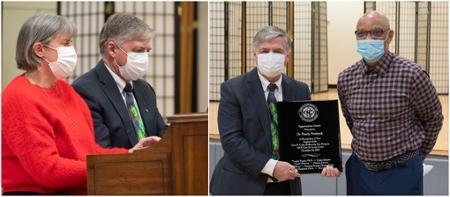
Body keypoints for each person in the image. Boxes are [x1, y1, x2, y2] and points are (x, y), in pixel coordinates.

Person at [2, 14, 160, 195]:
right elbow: (48, 170)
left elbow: (90, 152)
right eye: (66, 43)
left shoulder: (66, 90)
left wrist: (129, 155)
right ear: (39, 50)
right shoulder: (19, 97)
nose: (72, 50)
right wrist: (110, 167)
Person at [209, 26, 340, 195]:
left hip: (285, 186)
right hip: (241, 184)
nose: (270, 56)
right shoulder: (233, 89)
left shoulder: (300, 90)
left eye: (277, 51)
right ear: (254, 55)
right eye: (264, 50)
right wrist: (272, 167)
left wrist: (326, 161)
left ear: (287, 57)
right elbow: (231, 140)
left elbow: (308, 134)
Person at [337, 11, 443, 195]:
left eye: (377, 32)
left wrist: (416, 158)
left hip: (401, 171)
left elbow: (433, 119)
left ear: (390, 35)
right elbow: (351, 121)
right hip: (359, 171)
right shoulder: (346, 78)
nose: (368, 38)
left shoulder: (412, 74)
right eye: (361, 34)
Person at [72, 13, 166, 149]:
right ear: (112, 49)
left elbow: (162, 135)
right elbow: (99, 152)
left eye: (147, 51)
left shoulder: (145, 89)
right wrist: (133, 155)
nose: (144, 57)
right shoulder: (85, 90)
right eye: (138, 50)